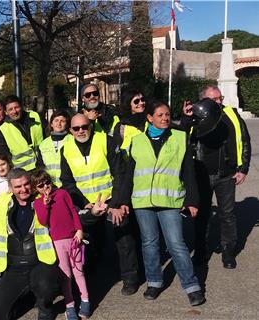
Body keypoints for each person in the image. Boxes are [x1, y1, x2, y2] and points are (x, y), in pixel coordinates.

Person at [115, 101, 205, 306]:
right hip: (142, 201)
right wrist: (122, 200)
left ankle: (192, 286)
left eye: (167, 115)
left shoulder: (180, 138)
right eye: (160, 115)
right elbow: (128, 174)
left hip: (170, 200)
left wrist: (192, 200)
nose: (165, 118)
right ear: (150, 118)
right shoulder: (136, 141)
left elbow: (189, 173)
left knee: (176, 244)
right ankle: (154, 282)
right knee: (149, 244)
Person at [60, 113, 140, 296]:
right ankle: (93, 273)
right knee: (87, 238)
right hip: (87, 204)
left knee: (123, 234)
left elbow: (121, 173)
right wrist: (85, 204)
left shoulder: (106, 141)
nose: (81, 131)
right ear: (70, 131)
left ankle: (130, 278)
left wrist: (119, 203)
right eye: (76, 128)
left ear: (90, 126)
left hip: (111, 199)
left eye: (84, 126)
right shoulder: (66, 149)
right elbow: (67, 182)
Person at [181, 85, 251, 269]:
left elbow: (244, 140)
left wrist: (243, 168)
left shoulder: (231, 115)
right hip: (201, 175)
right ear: (204, 101)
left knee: (227, 214)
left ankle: (228, 251)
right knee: (201, 215)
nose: (220, 102)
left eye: (221, 98)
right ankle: (201, 251)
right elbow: (181, 139)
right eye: (216, 99)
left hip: (226, 174)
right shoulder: (194, 116)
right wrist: (186, 120)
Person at [0, 168, 61, 320]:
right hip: (13, 268)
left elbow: (70, 216)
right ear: (10, 188)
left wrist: (92, 214)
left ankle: (45, 306)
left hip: (41, 263)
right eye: (18, 187)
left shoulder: (44, 198)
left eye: (26, 184)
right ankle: (30, 297)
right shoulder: (1, 203)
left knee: (45, 286)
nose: (23, 189)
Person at [31, 170, 90, 320]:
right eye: (40, 186)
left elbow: (73, 212)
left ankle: (85, 300)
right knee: (66, 275)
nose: (45, 187)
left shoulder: (62, 194)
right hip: (57, 242)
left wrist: (79, 229)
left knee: (79, 271)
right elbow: (43, 221)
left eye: (47, 183)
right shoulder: (38, 203)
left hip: (73, 238)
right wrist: (46, 205)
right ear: (35, 189)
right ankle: (69, 305)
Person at [0, 95, 44, 171]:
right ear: (6, 112)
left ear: (21, 107)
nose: (14, 111)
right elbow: (4, 157)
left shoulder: (35, 116)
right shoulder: (2, 130)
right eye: (10, 109)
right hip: (22, 173)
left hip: (42, 166)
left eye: (16, 107)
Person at [37, 110, 72, 187]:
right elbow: (41, 167)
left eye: (62, 121)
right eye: (56, 120)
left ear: (67, 124)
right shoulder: (43, 144)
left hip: (68, 185)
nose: (59, 123)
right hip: (50, 186)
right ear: (51, 124)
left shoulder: (72, 140)